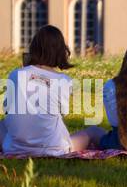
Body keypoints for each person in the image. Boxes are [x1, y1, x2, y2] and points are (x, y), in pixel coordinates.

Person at [0, 25, 106, 155]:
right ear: (61, 51)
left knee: (2, 124)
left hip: (14, 149)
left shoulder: (16, 74)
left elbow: (7, 110)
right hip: (52, 149)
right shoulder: (63, 80)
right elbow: (63, 112)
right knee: (94, 131)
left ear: (34, 48)